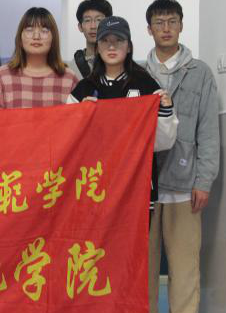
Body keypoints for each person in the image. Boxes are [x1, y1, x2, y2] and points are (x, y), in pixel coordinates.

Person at [144, 0, 220, 313]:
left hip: (184, 186)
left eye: (172, 21)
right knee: (142, 269)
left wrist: (204, 180)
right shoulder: (137, 72)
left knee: (184, 269)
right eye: (159, 22)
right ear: (149, 29)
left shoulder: (199, 73)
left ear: (181, 25)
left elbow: (209, 131)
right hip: (142, 189)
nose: (166, 28)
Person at [67, 16, 178, 221]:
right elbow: (68, 142)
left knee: (132, 240)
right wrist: (79, 117)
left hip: (135, 185)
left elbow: (163, 143)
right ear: (97, 47)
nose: (111, 47)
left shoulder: (147, 85)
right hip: (93, 185)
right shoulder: (83, 89)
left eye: (118, 40)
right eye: (105, 41)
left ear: (129, 47)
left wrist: (166, 110)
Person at [0, 7, 78, 109]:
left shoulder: (69, 78)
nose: (36, 36)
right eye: (29, 30)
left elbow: (80, 117)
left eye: (44, 30)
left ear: (54, 38)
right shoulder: (2, 76)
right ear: (20, 38)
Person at [68, 0, 113, 79]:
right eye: (87, 20)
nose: (93, 26)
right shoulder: (71, 68)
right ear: (80, 27)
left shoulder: (118, 62)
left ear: (109, 25)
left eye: (99, 20)